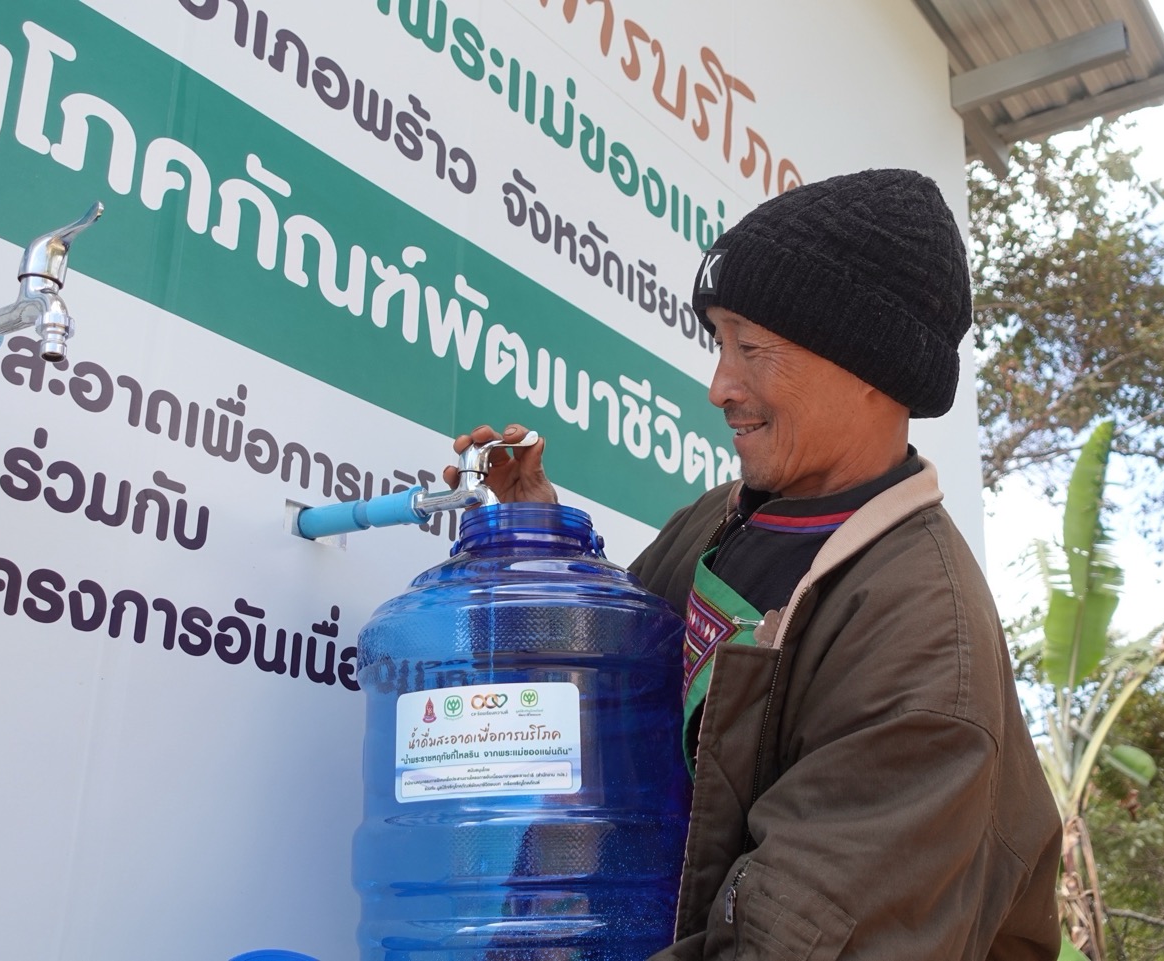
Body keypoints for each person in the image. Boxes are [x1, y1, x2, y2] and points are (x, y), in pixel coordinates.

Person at [448, 169, 1062, 960]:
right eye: (719, 344)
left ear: (869, 365)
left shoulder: (924, 642)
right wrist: (540, 539)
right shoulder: (721, 519)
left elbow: (793, 942)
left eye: (752, 348)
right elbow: (605, 702)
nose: (719, 386)